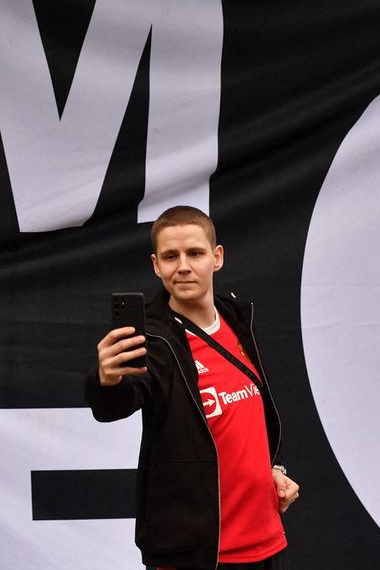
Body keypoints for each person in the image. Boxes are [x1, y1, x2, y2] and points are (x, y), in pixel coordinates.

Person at [86, 206, 299, 570]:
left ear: (216, 258)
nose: (182, 266)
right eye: (171, 256)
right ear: (156, 265)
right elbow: (118, 403)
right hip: (197, 555)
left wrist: (274, 468)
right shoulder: (154, 341)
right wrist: (108, 380)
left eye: (194, 253)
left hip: (268, 542)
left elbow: (248, 418)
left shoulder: (237, 319)